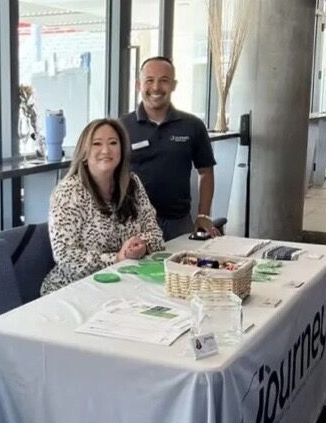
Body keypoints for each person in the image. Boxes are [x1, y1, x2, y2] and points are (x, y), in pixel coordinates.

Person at [41, 118, 165, 294]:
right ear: (84, 153)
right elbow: (66, 256)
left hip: (122, 283)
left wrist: (141, 246)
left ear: (121, 150)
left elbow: (156, 235)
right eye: (96, 144)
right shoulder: (69, 192)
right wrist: (116, 258)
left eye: (113, 143)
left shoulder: (132, 184)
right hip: (73, 289)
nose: (106, 150)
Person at [121, 56, 219, 242]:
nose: (156, 87)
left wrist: (204, 216)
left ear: (173, 85)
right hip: (133, 223)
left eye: (164, 81)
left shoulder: (192, 125)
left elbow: (206, 172)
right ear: (138, 84)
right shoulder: (122, 127)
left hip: (178, 223)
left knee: (180, 270)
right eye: (149, 80)